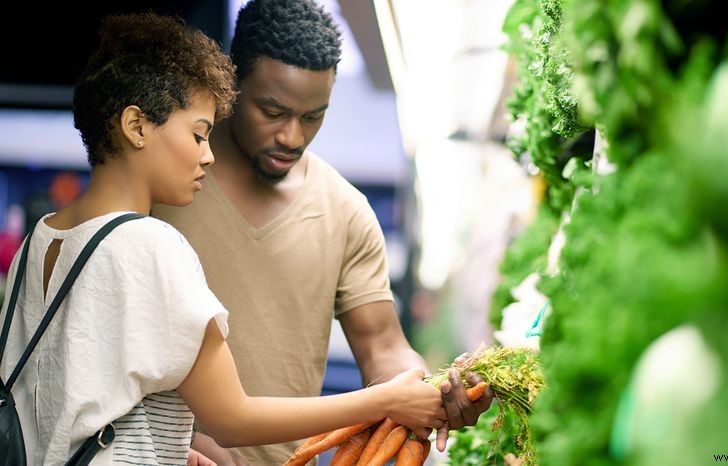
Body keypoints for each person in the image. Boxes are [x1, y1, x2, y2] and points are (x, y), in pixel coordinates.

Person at [0, 13, 445, 466]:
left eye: (313, 116)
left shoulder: (40, 238)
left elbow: (73, 387)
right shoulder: (152, 243)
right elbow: (233, 418)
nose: (206, 156)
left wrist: (170, 443)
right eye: (198, 134)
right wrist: (384, 401)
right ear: (136, 127)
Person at [152, 1, 494, 464]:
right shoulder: (162, 185)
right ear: (230, 85)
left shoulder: (346, 210)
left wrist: (431, 389)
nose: (292, 136)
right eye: (272, 111)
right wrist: (181, 441)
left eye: (313, 116)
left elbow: (383, 346)